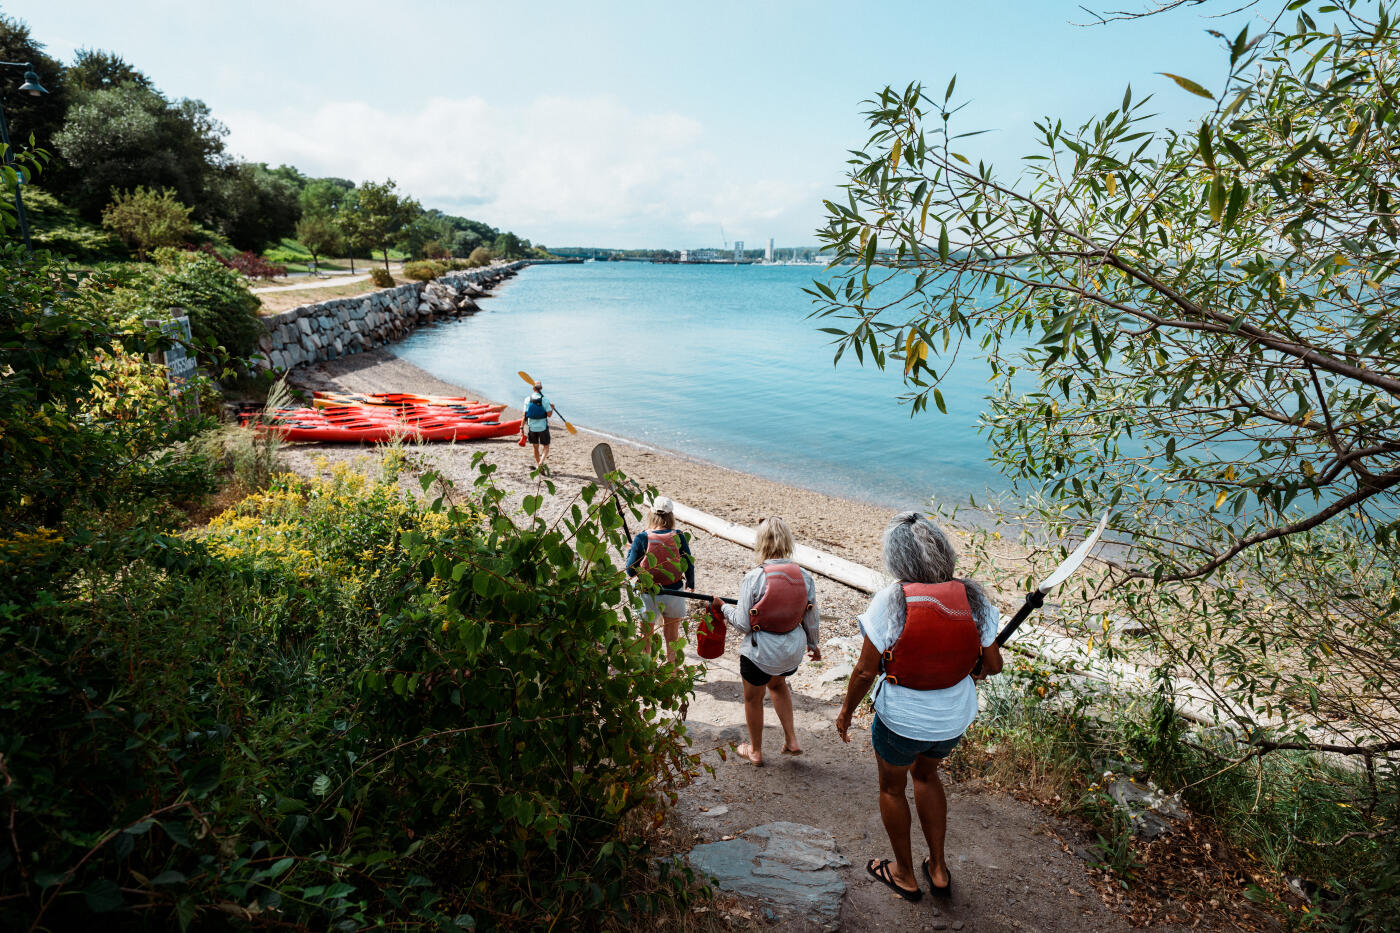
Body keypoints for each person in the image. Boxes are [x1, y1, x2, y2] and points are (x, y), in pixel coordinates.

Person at [834, 511, 1003, 903]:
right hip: (951, 721)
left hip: (901, 721)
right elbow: (993, 666)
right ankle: (939, 870)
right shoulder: (974, 598)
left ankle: (905, 874)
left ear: (898, 560)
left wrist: (845, 714)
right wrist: (970, 664)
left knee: (892, 788)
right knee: (926, 777)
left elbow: (864, 671)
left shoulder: (892, 601)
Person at [710, 517, 821, 766]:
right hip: (791, 652)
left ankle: (756, 751)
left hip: (760, 654)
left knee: (753, 698)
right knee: (778, 684)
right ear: (788, 542)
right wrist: (814, 645)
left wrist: (723, 607)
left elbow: (743, 624)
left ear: (760, 543)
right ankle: (791, 739)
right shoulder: (804, 576)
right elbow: (811, 616)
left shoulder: (754, 577)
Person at [624, 496, 694, 664]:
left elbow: (630, 570)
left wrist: (630, 551)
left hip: (648, 593)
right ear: (671, 516)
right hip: (674, 591)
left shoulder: (642, 538)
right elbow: (688, 562)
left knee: (645, 637)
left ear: (651, 514)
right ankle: (672, 673)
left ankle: (646, 672)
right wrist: (690, 583)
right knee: (672, 638)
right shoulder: (679, 536)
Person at [520, 382, 555, 467]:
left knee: (535, 447)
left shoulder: (527, 399)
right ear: (541, 389)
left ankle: (538, 463)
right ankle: (540, 463)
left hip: (532, 428)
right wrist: (552, 408)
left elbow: (524, 415)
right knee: (546, 446)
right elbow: (549, 415)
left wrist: (521, 428)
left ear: (533, 388)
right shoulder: (544, 399)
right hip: (542, 428)